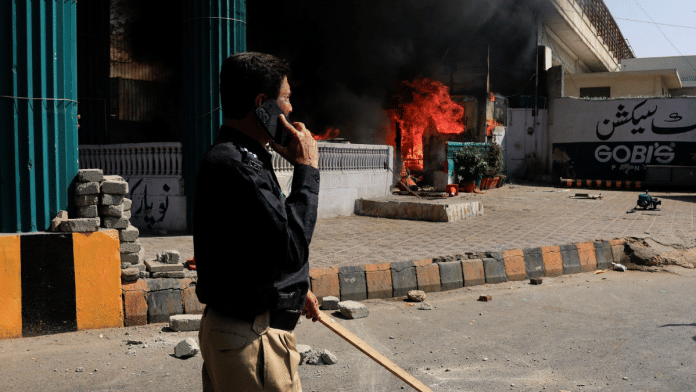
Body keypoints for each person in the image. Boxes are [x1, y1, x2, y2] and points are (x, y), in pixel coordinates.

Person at [194, 52, 322, 392]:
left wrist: (292, 289)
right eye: (286, 99)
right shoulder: (238, 166)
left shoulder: (238, 157)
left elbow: (257, 244)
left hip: (245, 332)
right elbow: (291, 246)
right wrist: (307, 171)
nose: (291, 110)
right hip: (252, 340)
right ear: (262, 103)